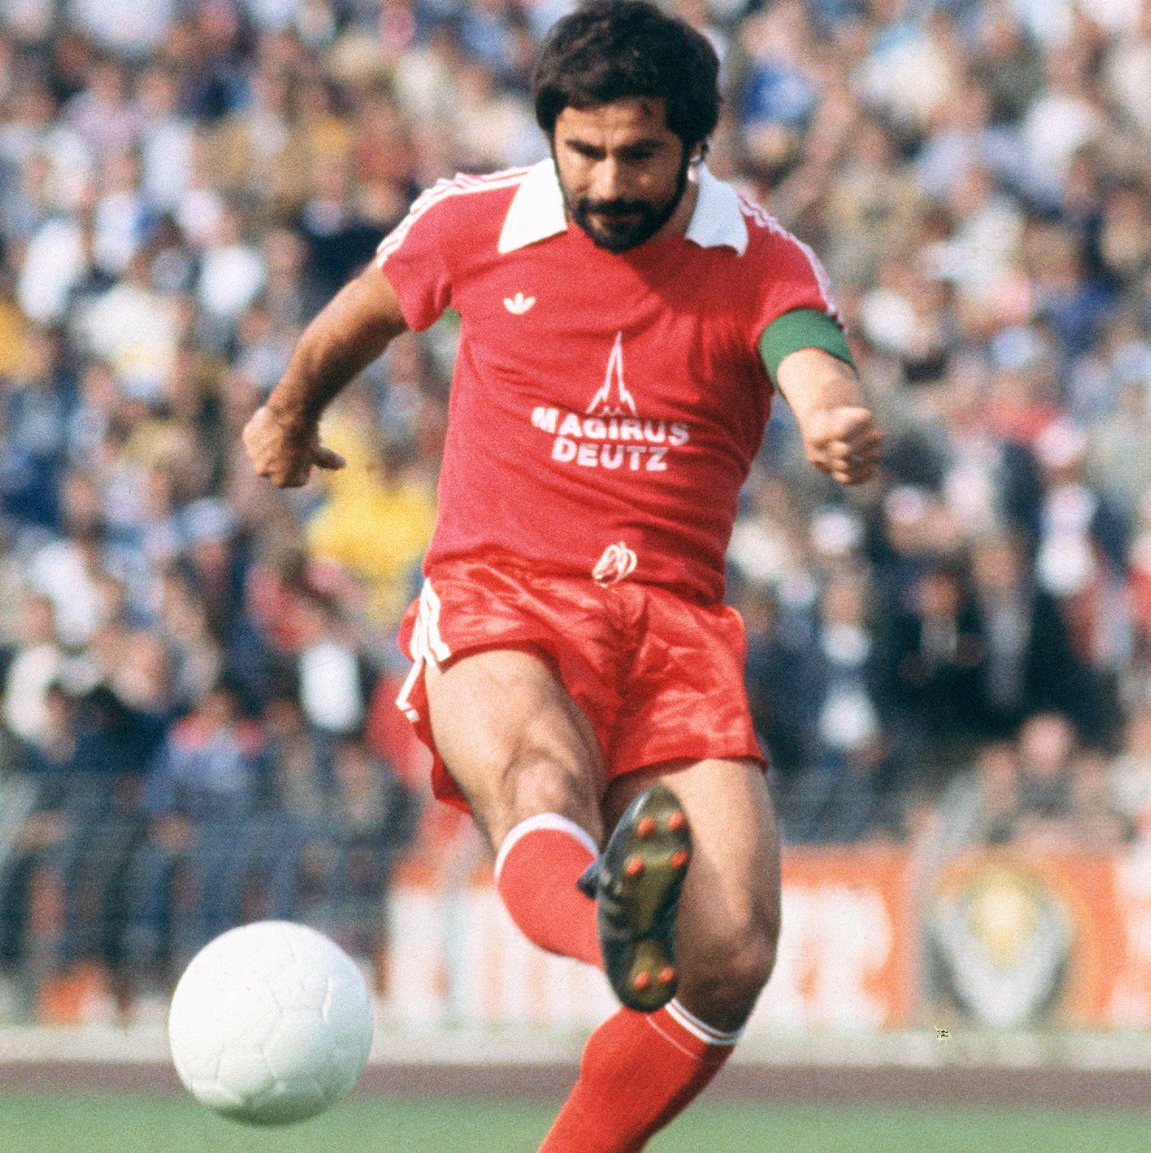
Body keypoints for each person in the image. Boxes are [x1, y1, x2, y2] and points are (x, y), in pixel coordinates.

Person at [242, 4, 879, 1149]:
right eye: (581, 151)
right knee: (539, 779)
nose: (604, 180)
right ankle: (612, 926)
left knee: (732, 953)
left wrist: (832, 413)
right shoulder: (475, 221)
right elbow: (360, 315)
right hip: (500, 594)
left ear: (693, 144)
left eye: (637, 155)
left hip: (672, 622)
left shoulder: (760, 257)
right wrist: (290, 415)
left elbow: (806, 355)